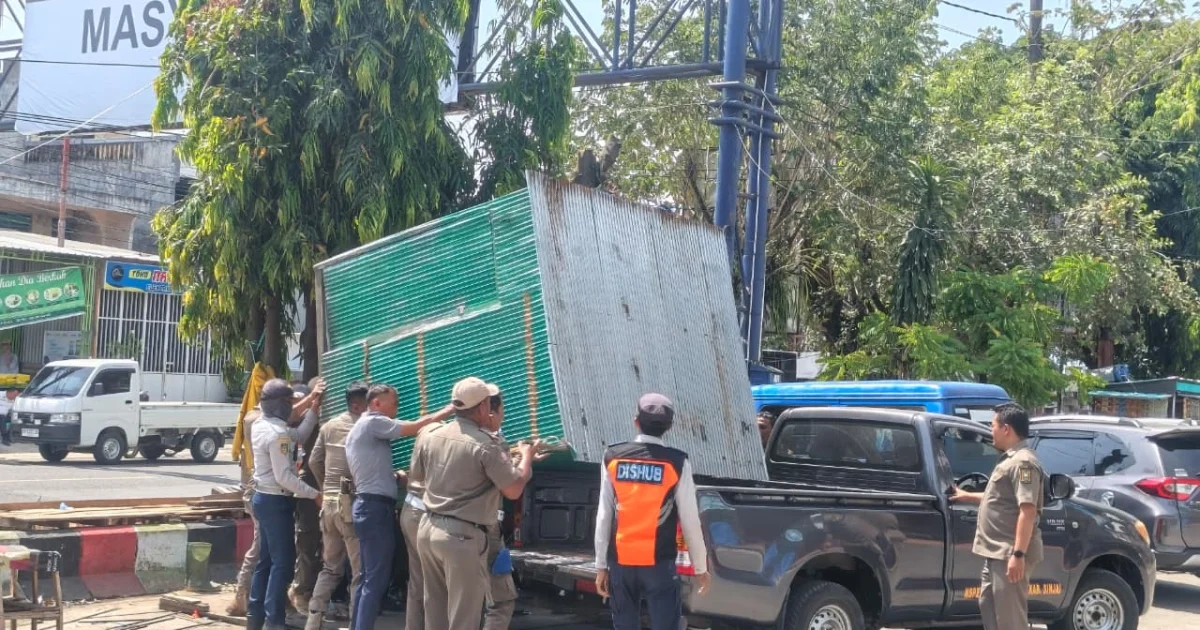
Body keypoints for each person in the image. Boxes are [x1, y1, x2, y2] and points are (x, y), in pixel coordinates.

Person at [412, 377, 542, 630]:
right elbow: (514, 489)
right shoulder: (484, 444)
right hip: (461, 537)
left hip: (428, 529)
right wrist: (526, 457)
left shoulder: (431, 435)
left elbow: (418, 476)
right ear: (483, 407)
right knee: (464, 618)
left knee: (436, 614)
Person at [594, 393, 711, 630]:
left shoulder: (612, 458)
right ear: (669, 426)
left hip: (621, 564)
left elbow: (604, 515)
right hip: (659, 565)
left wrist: (600, 565)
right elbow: (689, 519)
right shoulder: (677, 462)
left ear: (635, 421)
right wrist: (700, 567)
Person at [344, 384, 453, 630]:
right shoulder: (373, 422)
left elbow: (370, 466)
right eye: (394, 403)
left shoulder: (363, 427)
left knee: (368, 578)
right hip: (374, 508)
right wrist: (448, 410)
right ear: (376, 403)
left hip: (368, 506)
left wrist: (393, 477)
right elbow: (415, 427)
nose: (397, 408)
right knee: (376, 580)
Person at [951, 403, 1045, 630]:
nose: (990, 430)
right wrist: (966, 495)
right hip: (996, 552)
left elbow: (1028, 510)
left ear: (1006, 429)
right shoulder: (1009, 459)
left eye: (992, 425)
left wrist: (1018, 555)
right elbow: (1000, 498)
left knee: (1010, 619)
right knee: (990, 607)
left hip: (1009, 553)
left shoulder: (1023, 462)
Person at [248, 378, 325, 630]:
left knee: (266, 561)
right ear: (282, 404)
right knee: (282, 563)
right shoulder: (277, 434)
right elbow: (285, 477)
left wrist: (313, 407)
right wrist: (314, 494)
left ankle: (255, 617)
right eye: (289, 402)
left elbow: (299, 434)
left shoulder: (262, 424)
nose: (292, 407)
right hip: (276, 501)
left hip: (263, 498)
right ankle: (274, 620)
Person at [305, 381, 369, 630]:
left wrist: (326, 487)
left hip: (329, 504)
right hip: (349, 505)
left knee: (331, 567)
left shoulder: (329, 425)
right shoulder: (363, 428)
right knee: (359, 571)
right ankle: (356, 621)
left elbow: (313, 461)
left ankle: (313, 619)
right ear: (358, 404)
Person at [482, 385, 518, 630]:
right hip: (487, 528)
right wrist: (525, 462)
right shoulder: (492, 443)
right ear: (490, 411)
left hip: (448, 528)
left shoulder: (445, 437)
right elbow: (512, 488)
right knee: (501, 601)